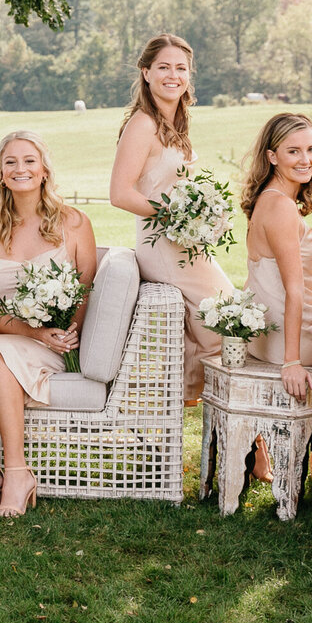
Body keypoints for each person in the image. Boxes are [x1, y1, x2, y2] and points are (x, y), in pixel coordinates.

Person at [0, 131, 96, 519]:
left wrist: (65, 333)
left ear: (44, 169)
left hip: (55, 344)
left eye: (29, 160)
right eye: (11, 162)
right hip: (8, 336)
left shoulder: (74, 223)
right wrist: (30, 331)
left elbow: (83, 288)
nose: (20, 169)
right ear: (0, 174)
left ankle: (17, 472)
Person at [109, 34, 233, 405]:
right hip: (161, 246)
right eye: (163, 67)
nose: (173, 75)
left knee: (230, 314)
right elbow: (121, 193)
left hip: (183, 243)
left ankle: (188, 395)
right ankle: (186, 394)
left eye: (181, 68)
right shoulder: (143, 125)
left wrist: (202, 212)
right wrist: (177, 213)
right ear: (145, 73)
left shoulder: (174, 123)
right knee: (230, 317)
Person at [241, 113, 312, 397]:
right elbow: (293, 289)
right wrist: (292, 362)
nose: (305, 159)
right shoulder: (281, 207)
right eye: (293, 151)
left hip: (266, 338)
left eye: (311, 149)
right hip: (293, 339)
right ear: (272, 156)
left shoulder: (267, 198)